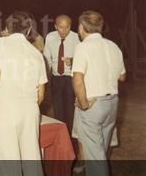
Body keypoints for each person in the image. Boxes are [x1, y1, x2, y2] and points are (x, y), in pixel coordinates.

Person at [0, 11, 47, 176]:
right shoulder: (37, 53)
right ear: (28, 31)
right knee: (32, 157)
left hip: (6, 108)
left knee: (8, 160)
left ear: (7, 28)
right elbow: (41, 93)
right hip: (30, 109)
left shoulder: (0, 43)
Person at [72, 10, 125, 176]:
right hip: (112, 104)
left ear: (81, 27)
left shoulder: (82, 47)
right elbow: (122, 76)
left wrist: (83, 103)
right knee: (100, 151)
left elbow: (78, 79)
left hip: (93, 105)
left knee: (95, 158)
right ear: (101, 27)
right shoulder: (113, 46)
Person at [43, 15, 80, 133]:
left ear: (71, 26)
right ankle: (61, 137)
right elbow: (47, 59)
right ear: (55, 26)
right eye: (61, 27)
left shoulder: (77, 38)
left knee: (70, 111)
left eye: (67, 27)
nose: (64, 30)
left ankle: (71, 139)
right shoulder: (50, 37)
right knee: (58, 110)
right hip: (56, 79)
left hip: (70, 79)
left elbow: (83, 59)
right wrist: (45, 78)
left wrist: (73, 61)